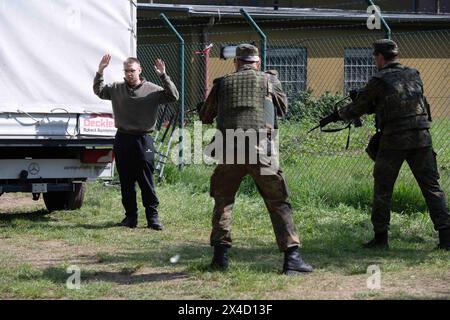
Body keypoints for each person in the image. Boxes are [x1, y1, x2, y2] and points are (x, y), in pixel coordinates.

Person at [321, 39, 450, 250]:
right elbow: (398, 102)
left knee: (383, 187)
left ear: (379, 57)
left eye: (374, 57)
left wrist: (337, 115)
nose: (374, 61)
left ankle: (381, 238)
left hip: (394, 139)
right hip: (422, 137)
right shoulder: (413, 74)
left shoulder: (379, 80)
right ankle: (446, 237)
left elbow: (358, 108)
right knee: (431, 187)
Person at [199, 44, 313, 274]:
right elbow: (283, 108)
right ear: (257, 63)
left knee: (224, 201)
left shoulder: (222, 83)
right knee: (278, 202)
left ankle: (220, 258)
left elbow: (205, 116)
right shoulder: (269, 80)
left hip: (229, 149)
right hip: (261, 149)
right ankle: (292, 258)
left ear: (236, 62)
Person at [93, 55, 179, 229]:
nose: (129, 74)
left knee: (146, 179)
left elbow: (173, 96)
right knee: (126, 181)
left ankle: (152, 217)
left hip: (143, 139)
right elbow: (99, 91)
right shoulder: (117, 88)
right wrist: (100, 71)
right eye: (126, 71)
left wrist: (164, 75)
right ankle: (130, 217)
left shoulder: (152, 90)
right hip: (123, 138)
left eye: (132, 70)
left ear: (140, 70)